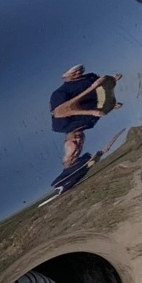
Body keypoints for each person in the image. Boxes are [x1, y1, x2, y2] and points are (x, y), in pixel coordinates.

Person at [48, 65, 121, 193]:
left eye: (74, 142)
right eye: (80, 145)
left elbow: (62, 110)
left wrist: (95, 88)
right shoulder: (89, 124)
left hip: (80, 87)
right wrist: (109, 106)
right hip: (94, 85)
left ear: (65, 142)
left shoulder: (61, 125)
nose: (79, 140)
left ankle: (67, 77)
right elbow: (99, 108)